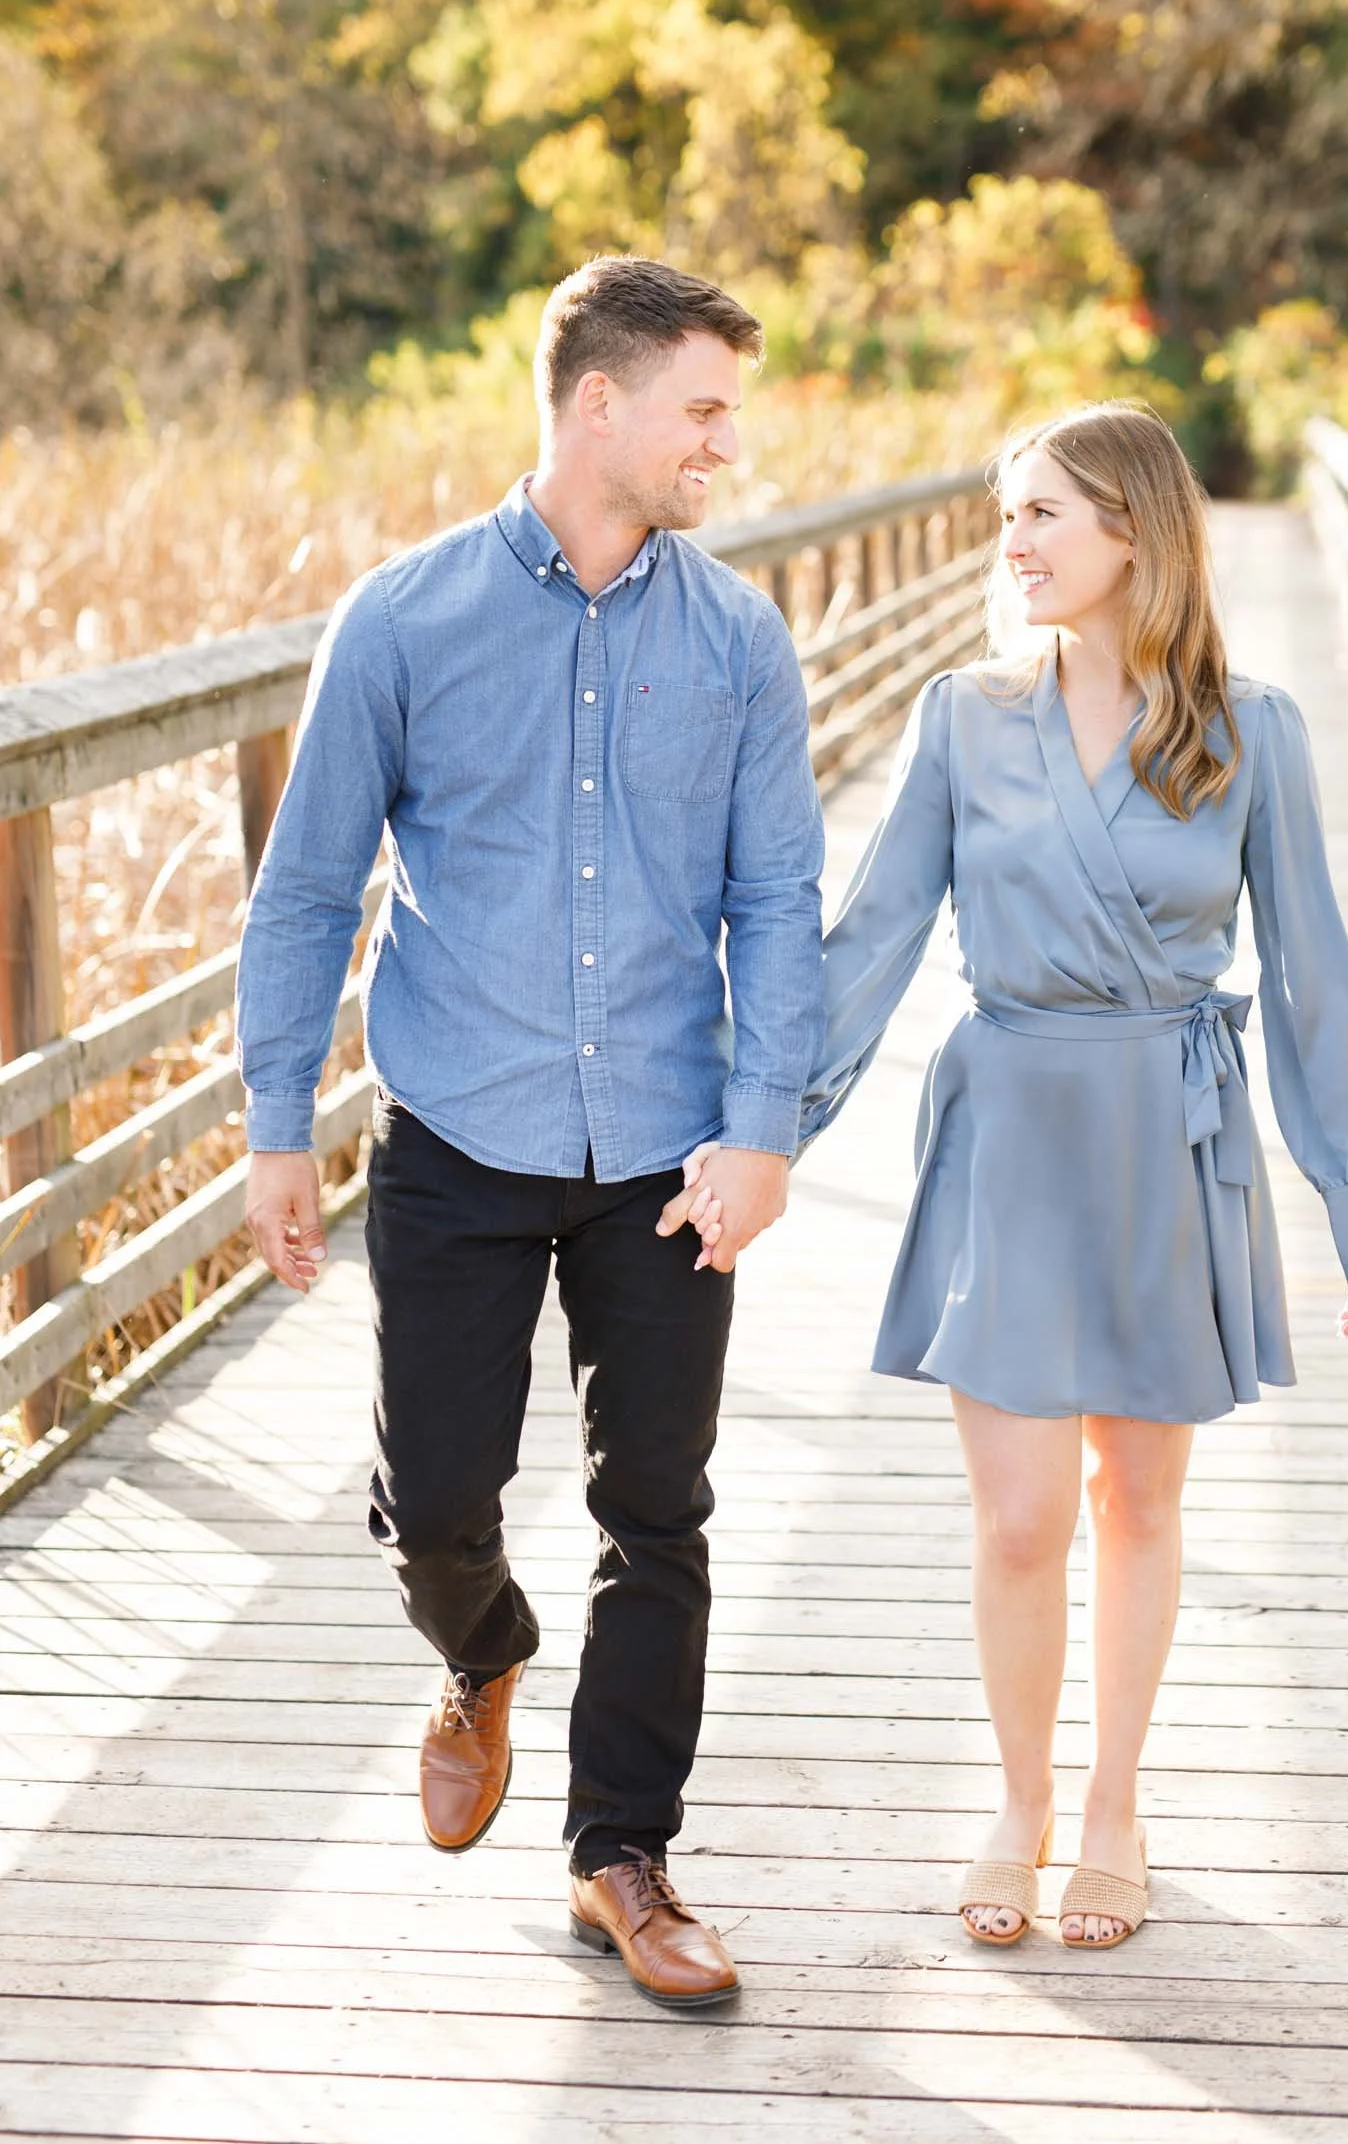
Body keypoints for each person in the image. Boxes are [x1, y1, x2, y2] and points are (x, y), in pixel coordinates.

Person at [666, 400, 1348, 1951]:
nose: (1010, 546)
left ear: (1134, 532)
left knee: (1136, 1495)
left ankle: (1117, 1808)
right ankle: (1019, 1801)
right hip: (1005, 1121)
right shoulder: (961, 716)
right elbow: (866, 940)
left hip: (1163, 1134)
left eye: (1040, 515)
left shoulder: (1251, 726)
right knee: (1015, 1518)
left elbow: (1315, 965)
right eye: (1007, 515)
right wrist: (764, 1125)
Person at [234, 255, 825, 2010]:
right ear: (600, 406)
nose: (726, 441)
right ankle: (478, 1653)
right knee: (433, 1505)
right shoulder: (404, 622)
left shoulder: (737, 638)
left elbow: (779, 900)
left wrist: (764, 1128)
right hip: (458, 1136)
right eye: (703, 408)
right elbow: (307, 887)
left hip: (663, 1149)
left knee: (658, 1510)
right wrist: (278, 1124)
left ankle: (621, 1860)